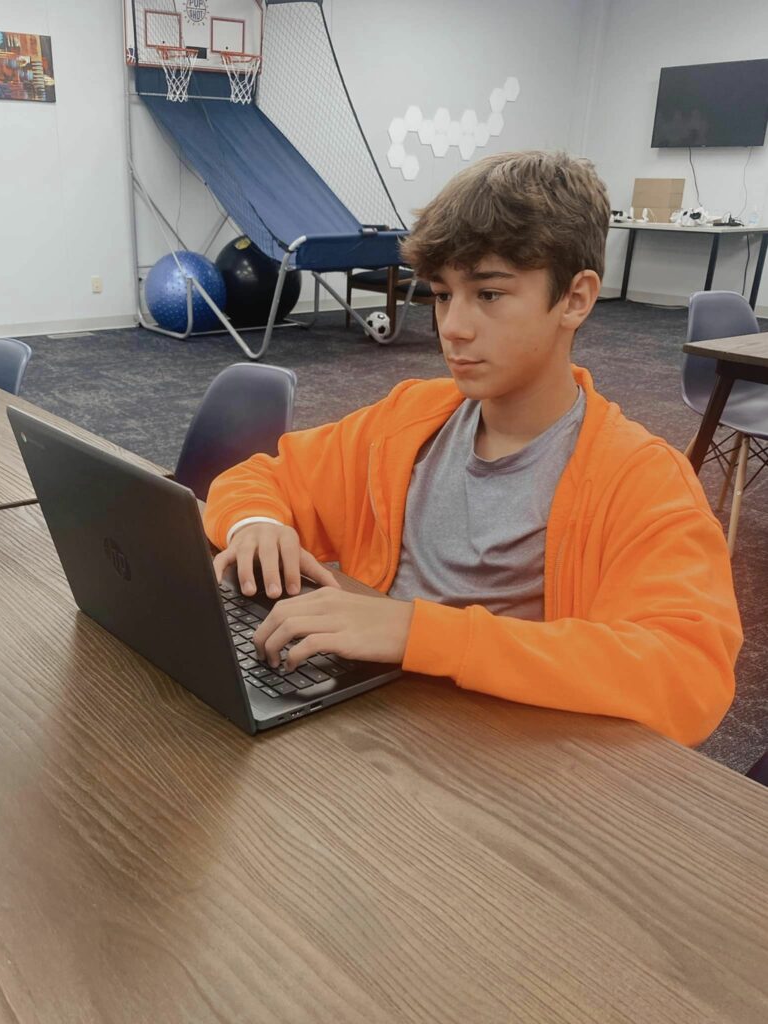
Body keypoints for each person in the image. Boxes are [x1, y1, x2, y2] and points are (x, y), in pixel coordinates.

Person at [204, 150, 742, 747]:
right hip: (362, 722)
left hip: (500, 758)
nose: (452, 327)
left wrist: (418, 633)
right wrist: (256, 524)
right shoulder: (413, 418)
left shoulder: (639, 476)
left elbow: (687, 673)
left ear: (576, 299)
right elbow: (266, 478)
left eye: (488, 294)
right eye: (441, 294)